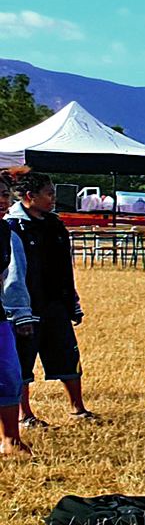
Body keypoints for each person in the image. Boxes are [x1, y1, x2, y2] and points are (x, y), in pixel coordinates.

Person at [3, 171, 94, 425]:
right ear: (30, 197)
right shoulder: (13, 227)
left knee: (68, 355)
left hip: (55, 302)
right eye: (49, 194)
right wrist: (20, 311)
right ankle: (25, 415)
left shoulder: (54, 225)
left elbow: (64, 266)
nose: (53, 199)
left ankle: (78, 408)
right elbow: (14, 273)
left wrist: (70, 300)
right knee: (22, 363)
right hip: (27, 305)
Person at [0, 180, 27, 459]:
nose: (2, 200)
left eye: (5, 195)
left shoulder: (4, 231)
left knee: (9, 374)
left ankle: (11, 440)